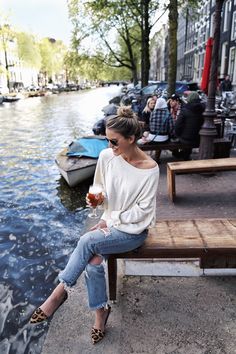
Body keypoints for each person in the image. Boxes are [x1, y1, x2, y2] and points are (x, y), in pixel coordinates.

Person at [30, 106, 159, 345]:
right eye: (107, 140)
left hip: (133, 231)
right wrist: (97, 200)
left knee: (87, 240)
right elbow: (98, 187)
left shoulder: (150, 169)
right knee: (93, 263)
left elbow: (143, 213)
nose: (110, 146)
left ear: (131, 139)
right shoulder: (107, 157)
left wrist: (108, 223)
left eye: (114, 141)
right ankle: (101, 314)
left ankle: (58, 294)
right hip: (111, 224)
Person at [173, 91, 205, 160]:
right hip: (198, 138)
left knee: (177, 140)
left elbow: (178, 126)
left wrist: (176, 135)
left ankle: (182, 155)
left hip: (185, 139)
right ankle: (185, 155)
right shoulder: (203, 109)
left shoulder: (185, 110)